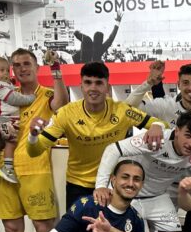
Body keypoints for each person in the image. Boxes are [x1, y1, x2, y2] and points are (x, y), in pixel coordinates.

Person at [26, 61, 166, 208]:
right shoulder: (66, 114)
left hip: (111, 184)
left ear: (107, 87)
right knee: (79, 230)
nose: (93, 88)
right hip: (78, 185)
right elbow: (34, 151)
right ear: (81, 86)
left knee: (110, 231)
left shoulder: (121, 110)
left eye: (99, 83)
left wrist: (157, 125)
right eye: (88, 82)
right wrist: (33, 135)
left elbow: (163, 124)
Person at [0, 48, 68, 232]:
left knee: (45, 230)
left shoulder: (45, 94)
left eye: (26, 64)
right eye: (17, 65)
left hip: (36, 169)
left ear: (36, 67)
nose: (22, 69)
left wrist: (56, 69)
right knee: (12, 229)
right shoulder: (7, 95)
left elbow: (62, 103)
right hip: (7, 169)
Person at [0, 56, 37, 184]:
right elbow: (13, 99)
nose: (5, 73)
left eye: (7, 70)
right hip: (4, 119)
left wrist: (10, 84)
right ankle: (8, 168)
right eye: (1, 70)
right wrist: (31, 98)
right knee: (11, 142)